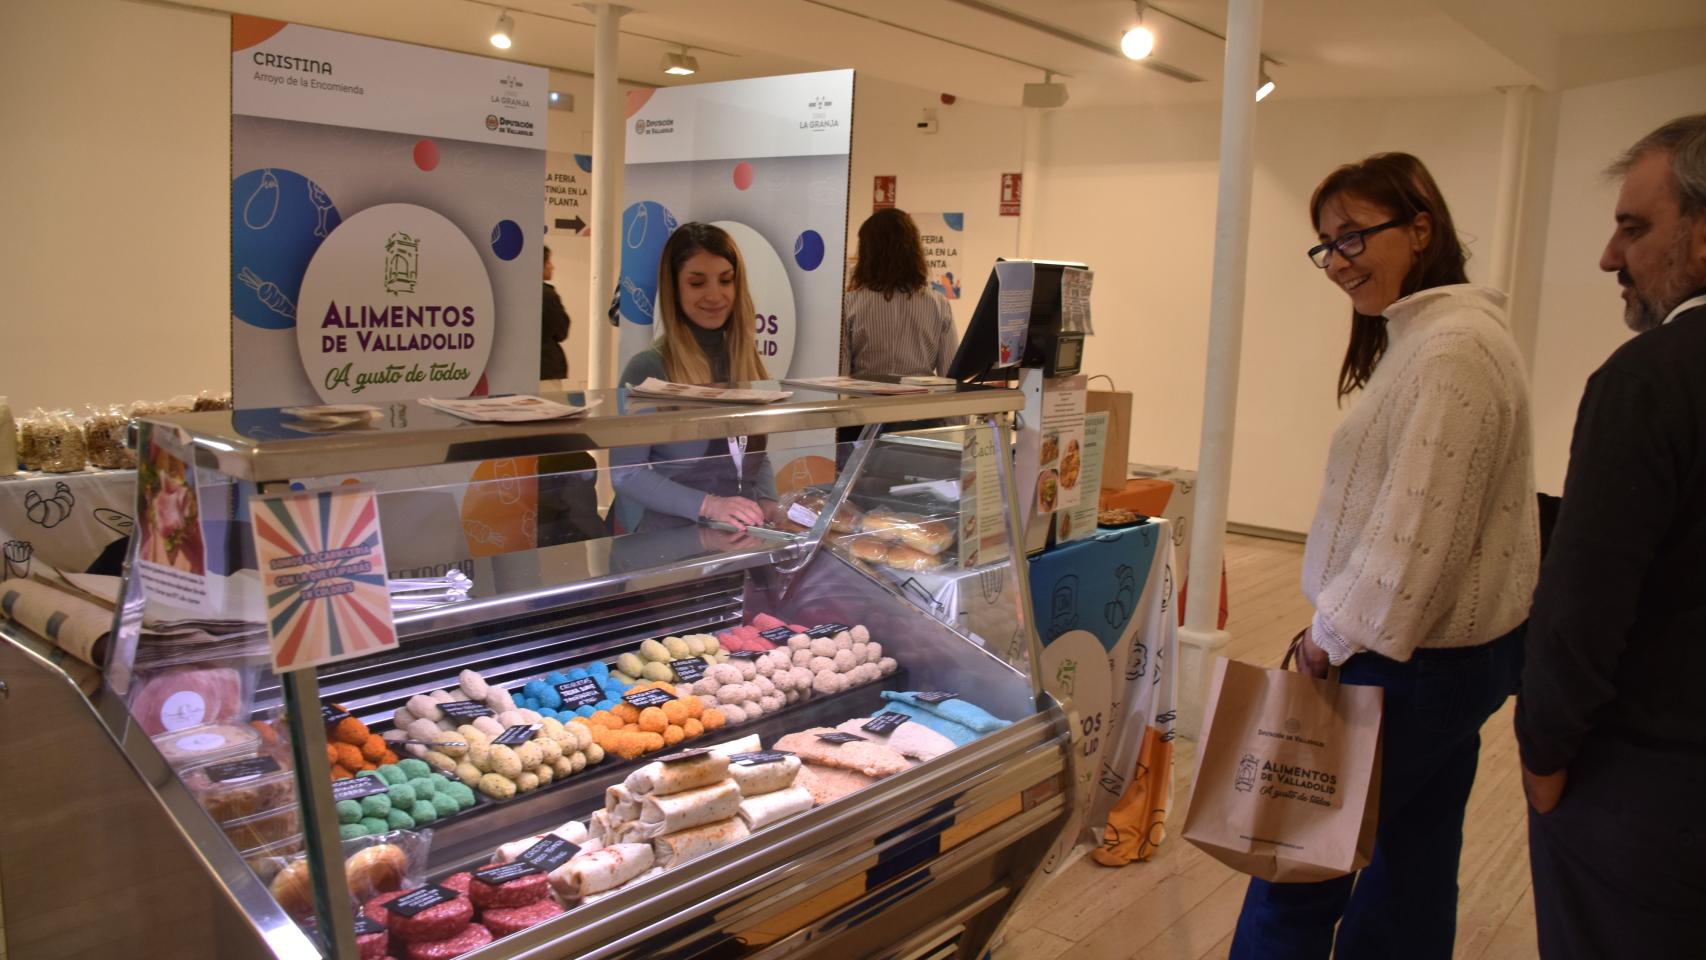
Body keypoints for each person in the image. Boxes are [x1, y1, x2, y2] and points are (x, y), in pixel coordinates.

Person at [1229, 153, 1538, 959]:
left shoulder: (1450, 352)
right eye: (1325, 245)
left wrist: (1321, 641)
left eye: (1354, 236)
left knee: (1296, 876)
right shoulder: (1435, 337)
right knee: (1415, 863)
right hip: (1449, 662)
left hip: (1405, 662)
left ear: (1421, 228)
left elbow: (1410, 546)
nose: (1337, 262)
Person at [1515, 114, 1706, 959]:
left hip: (1648, 794)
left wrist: (1543, 759)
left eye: (1635, 227)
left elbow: (1582, 607)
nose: (1608, 256)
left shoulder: (1649, 378)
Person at [610, 222, 775, 536]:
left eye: (725, 280)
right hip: (664, 542)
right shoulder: (647, 368)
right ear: (675, 288)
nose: (715, 295)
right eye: (697, 283)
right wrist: (709, 505)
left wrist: (768, 501)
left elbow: (752, 456)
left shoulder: (746, 361)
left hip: (737, 537)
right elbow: (625, 473)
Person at [843, 208, 956, 381]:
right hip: (919, 404)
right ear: (914, 251)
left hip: (864, 404)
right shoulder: (939, 304)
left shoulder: (850, 304)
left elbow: (840, 375)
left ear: (867, 253)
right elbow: (950, 376)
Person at [541, 244, 570, 380]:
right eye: (548, 262)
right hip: (547, 367)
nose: (551, 266)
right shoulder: (547, 295)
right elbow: (562, 331)